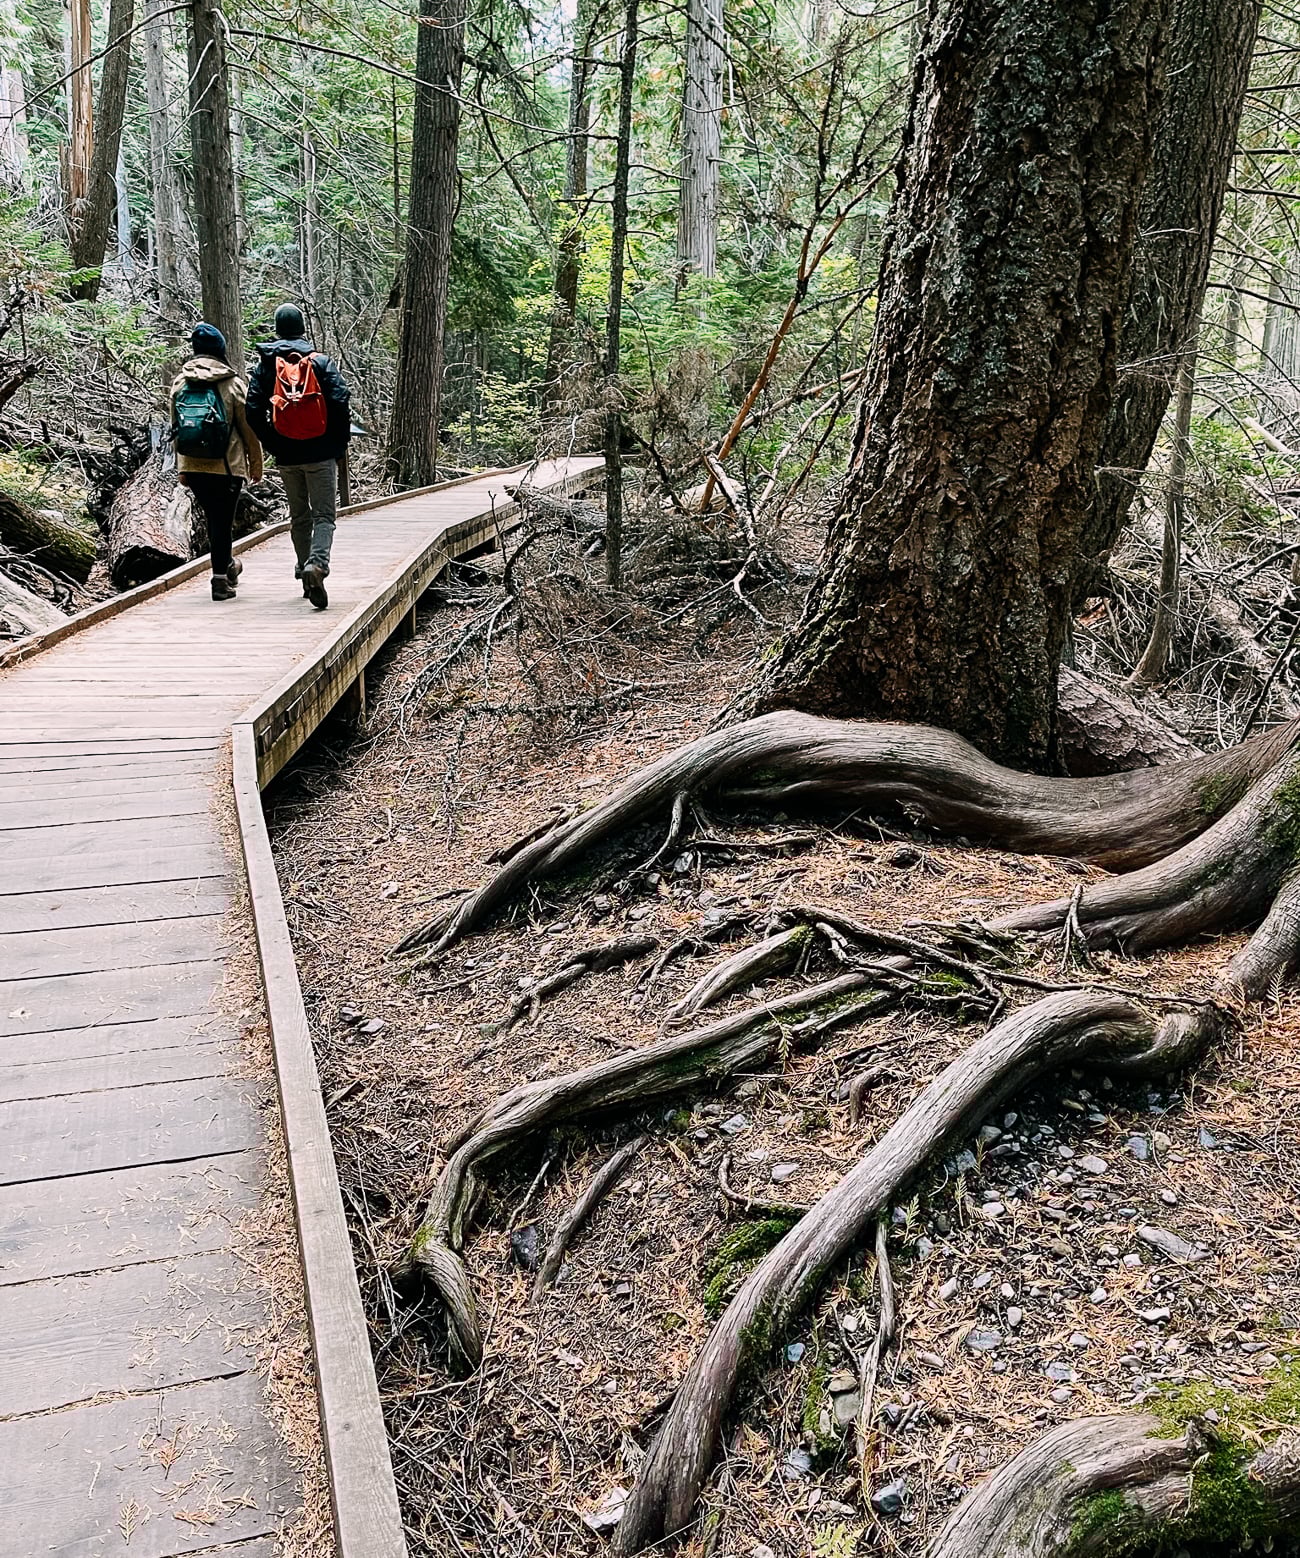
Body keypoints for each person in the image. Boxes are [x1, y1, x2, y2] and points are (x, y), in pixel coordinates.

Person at [245, 303, 351, 610]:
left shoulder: (267, 365)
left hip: (287, 454)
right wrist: (337, 443)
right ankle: (316, 566)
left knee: (300, 516)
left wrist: (273, 441)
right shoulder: (320, 362)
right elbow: (340, 401)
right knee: (324, 516)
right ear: (302, 328)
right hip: (321, 452)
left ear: (277, 329)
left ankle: (305, 566)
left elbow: (252, 410)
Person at [170, 323, 263, 603]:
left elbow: (176, 427)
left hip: (195, 466)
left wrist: (182, 467)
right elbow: (248, 429)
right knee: (221, 522)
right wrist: (255, 464)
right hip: (227, 467)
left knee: (214, 521)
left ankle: (228, 570)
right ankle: (220, 579)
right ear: (220, 350)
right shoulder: (233, 384)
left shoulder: (180, 383)